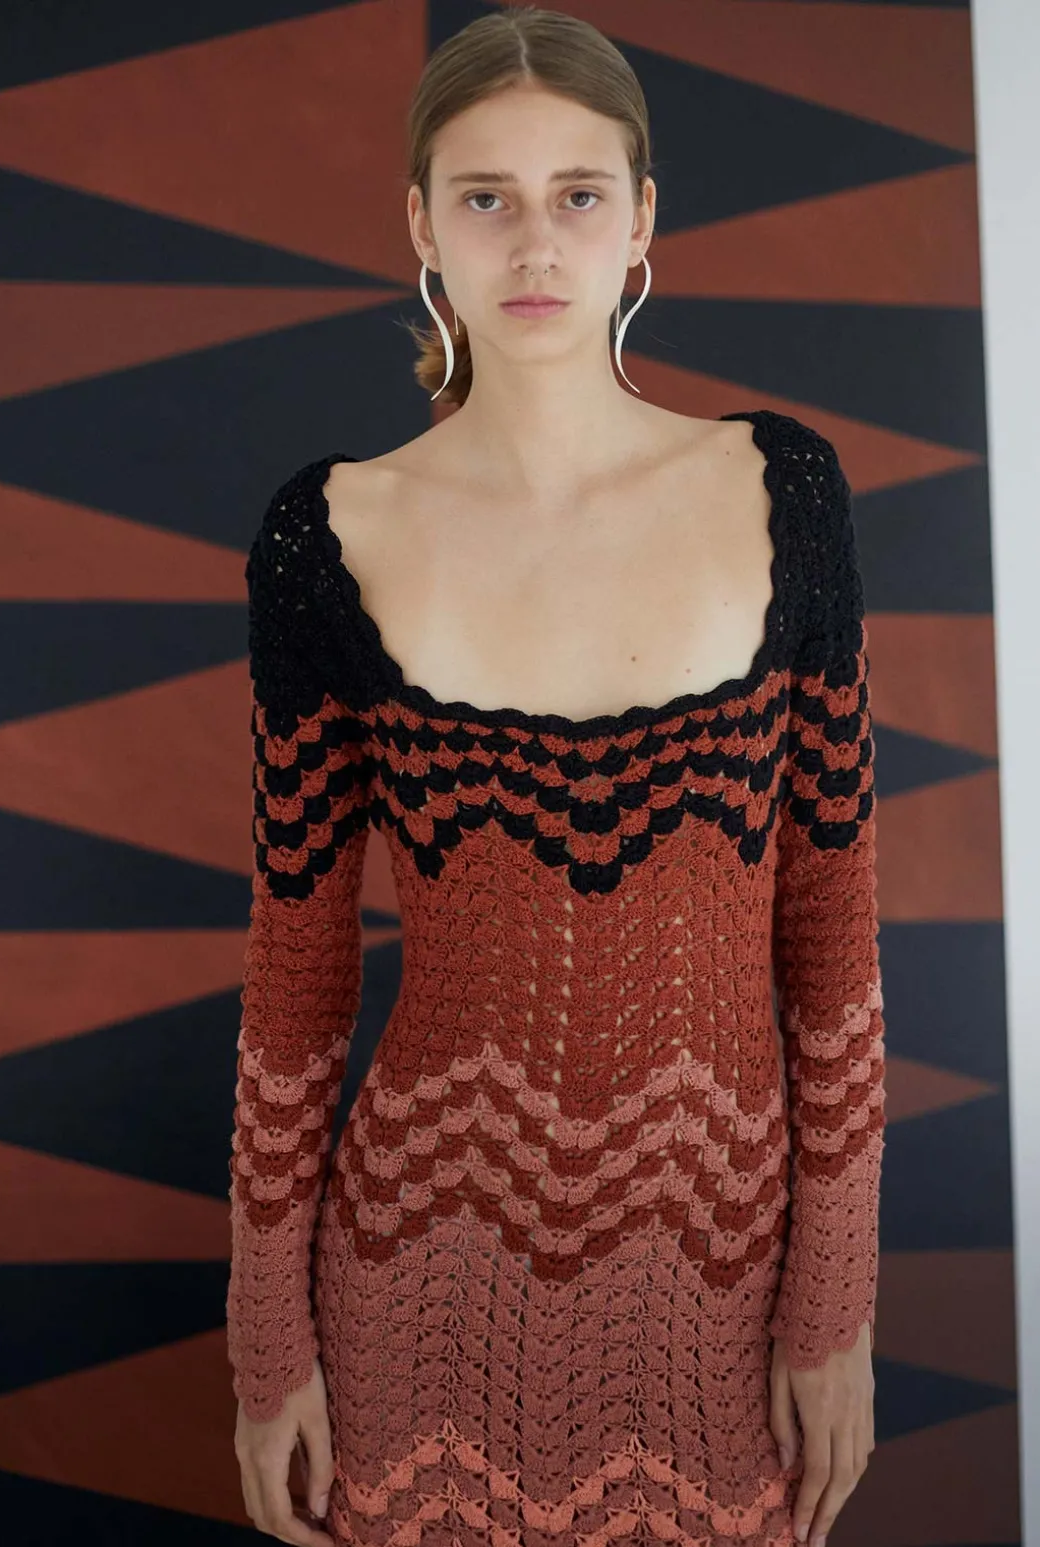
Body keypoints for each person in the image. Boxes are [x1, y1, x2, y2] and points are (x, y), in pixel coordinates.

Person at [226, 7, 886, 1546]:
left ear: (642, 217)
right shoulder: (328, 536)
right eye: (487, 196)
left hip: (728, 1296)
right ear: (422, 225)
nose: (534, 242)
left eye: (577, 194)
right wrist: (267, 1346)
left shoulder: (781, 491)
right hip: (414, 1290)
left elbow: (833, 935)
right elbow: (297, 977)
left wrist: (835, 1304)